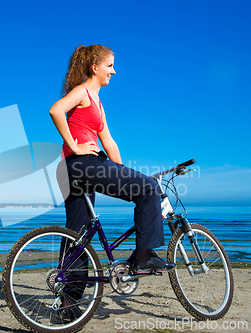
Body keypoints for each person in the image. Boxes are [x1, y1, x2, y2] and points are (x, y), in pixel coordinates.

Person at [49, 44, 175, 319]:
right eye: (110, 65)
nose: (113, 71)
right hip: (82, 163)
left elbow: (109, 142)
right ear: (95, 67)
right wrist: (77, 146)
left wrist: (127, 175)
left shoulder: (97, 103)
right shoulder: (82, 92)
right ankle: (143, 255)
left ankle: (67, 305)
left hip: (71, 170)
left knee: (78, 236)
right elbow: (56, 110)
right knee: (149, 189)